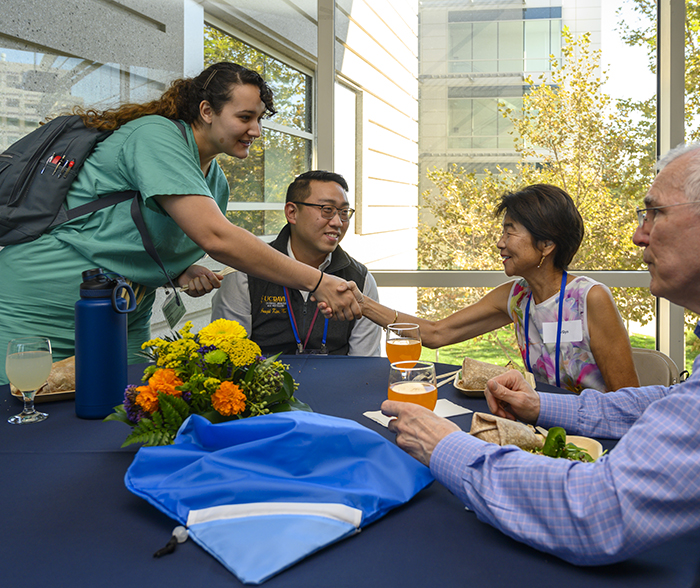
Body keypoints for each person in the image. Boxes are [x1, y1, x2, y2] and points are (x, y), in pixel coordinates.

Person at [381, 138, 700, 588]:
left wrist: (446, 446)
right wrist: (542, 405)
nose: (639, 235)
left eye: (654, 213)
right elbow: (673, 399)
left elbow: (598, 512)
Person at [0, 62, 361, 384]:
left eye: (260, 118)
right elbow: (216, 237)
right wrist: (316, 281)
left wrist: (181, 269)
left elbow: (141, 234)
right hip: (41, 308)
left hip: (125, 313)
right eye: (245, 117)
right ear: (206, 110)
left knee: (122, 417)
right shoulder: (156, 136)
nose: (257, 130)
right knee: (25, 419)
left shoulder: (215, 179)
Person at [354, 184, 639, 392]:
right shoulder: (516, 297)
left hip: (590, 436)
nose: (500, 243)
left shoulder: (589, 298)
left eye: (510, 231)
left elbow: (627, 400)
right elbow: (436, 333)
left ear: (547, 244)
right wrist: (362, 303)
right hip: (542, 425)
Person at [211, 170, 381, 356]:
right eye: (327, 210)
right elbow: (229, 358)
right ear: (292, 213)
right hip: (264, 382)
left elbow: (364, 364)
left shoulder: (359, 280)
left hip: (336, 383)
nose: (338, 222)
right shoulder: (244, 273)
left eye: (344, 212)